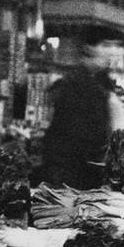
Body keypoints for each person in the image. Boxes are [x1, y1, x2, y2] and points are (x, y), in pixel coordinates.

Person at [41, 28, 114, 189]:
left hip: (84, 167)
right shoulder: (75, 84)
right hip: (70, 169)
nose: (109, 52)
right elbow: (72, 131)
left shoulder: (100, 82)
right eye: (104, 46)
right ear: (89, 49)